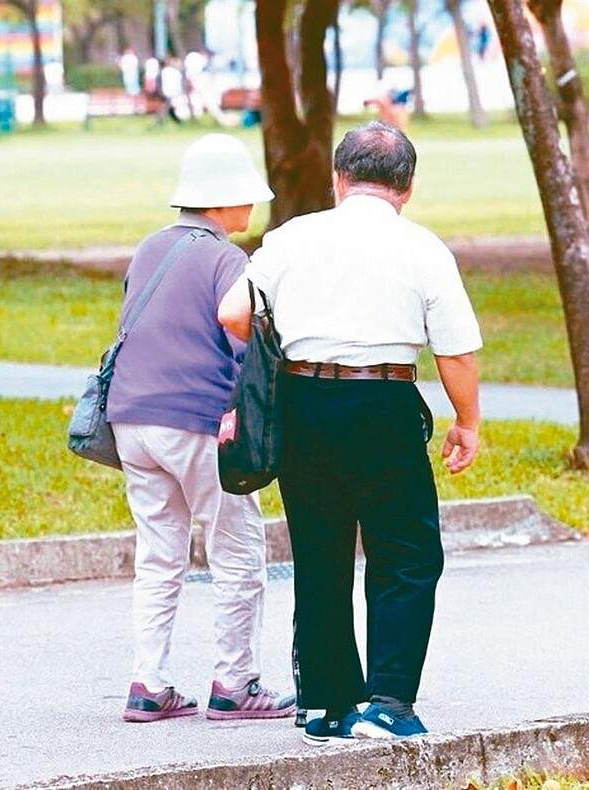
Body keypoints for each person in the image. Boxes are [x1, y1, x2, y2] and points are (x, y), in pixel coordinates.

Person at [218, 121, 482, 743]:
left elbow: (232, 310)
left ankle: (328, 704)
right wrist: (466, 422)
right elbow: (457, 353)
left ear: (339, 179)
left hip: (304, 401)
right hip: (382, 400)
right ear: (407, 188)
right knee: (407, 554)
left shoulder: (291, 238)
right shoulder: (422, 248)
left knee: (320, 550)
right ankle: (388, 701)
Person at [108, 134, 296, 723]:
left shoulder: (148, 249)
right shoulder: (226, 260)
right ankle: (234, 684)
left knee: (159, 554)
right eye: (247, 198)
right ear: (225, 200)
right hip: (196, 422)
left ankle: (149, 683)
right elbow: (239, 334)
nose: (253, 210)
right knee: (237, 549)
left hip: (132, 420)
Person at [157, 55, 186, 125]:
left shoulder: (165, 71)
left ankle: (161, 120)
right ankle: (160, 120)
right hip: (171, 91)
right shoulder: (170, 71)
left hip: (169, 91)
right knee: (167, 106)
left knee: (168, 106)